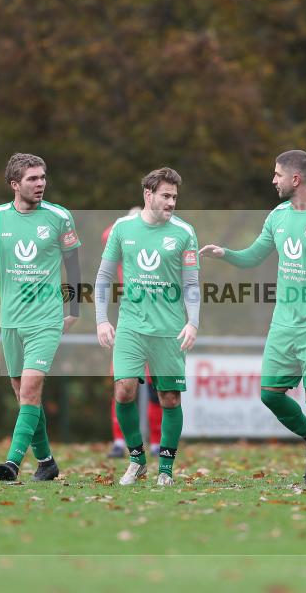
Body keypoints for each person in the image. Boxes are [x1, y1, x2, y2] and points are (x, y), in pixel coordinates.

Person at [199, 150, 306, 488]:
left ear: (296, 179)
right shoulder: (277, 216)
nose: (273, 180)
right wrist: (225, 254)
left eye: (277, 175)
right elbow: (254, 256)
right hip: (284, 322)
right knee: (270, 393)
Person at [0, 153, 81, 482]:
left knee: (31, 389)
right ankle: (47, 462)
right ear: (14, 184)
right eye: (32, 179)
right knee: (25, 397)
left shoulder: (59, 217)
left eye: (42, 177)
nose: (40, 184)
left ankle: (11, 463)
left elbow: (74, 265)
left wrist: (74, 308)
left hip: (46, 318)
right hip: (11, 320)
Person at [95, 167, 200, 486]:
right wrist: (101, 319)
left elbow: (192, 283)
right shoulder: (123, 229)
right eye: (166, 196)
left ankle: (165, 470)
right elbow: (103, 277)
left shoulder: (185, 232)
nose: (171, 203)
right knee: (124, 391)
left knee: (169, 399)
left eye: (175, 197)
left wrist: (193, 322)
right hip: (131, 326)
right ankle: (137, 460)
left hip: (169, 329)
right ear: (148, 195)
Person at [102, 208, 163, 459]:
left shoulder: (159, 245)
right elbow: (107, 235)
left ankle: (157, 443)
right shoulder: (124, 247)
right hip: (131, 324)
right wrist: (129, 219)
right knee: (122, 385)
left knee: (155, 388)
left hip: (159, 325)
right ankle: (120, 442)